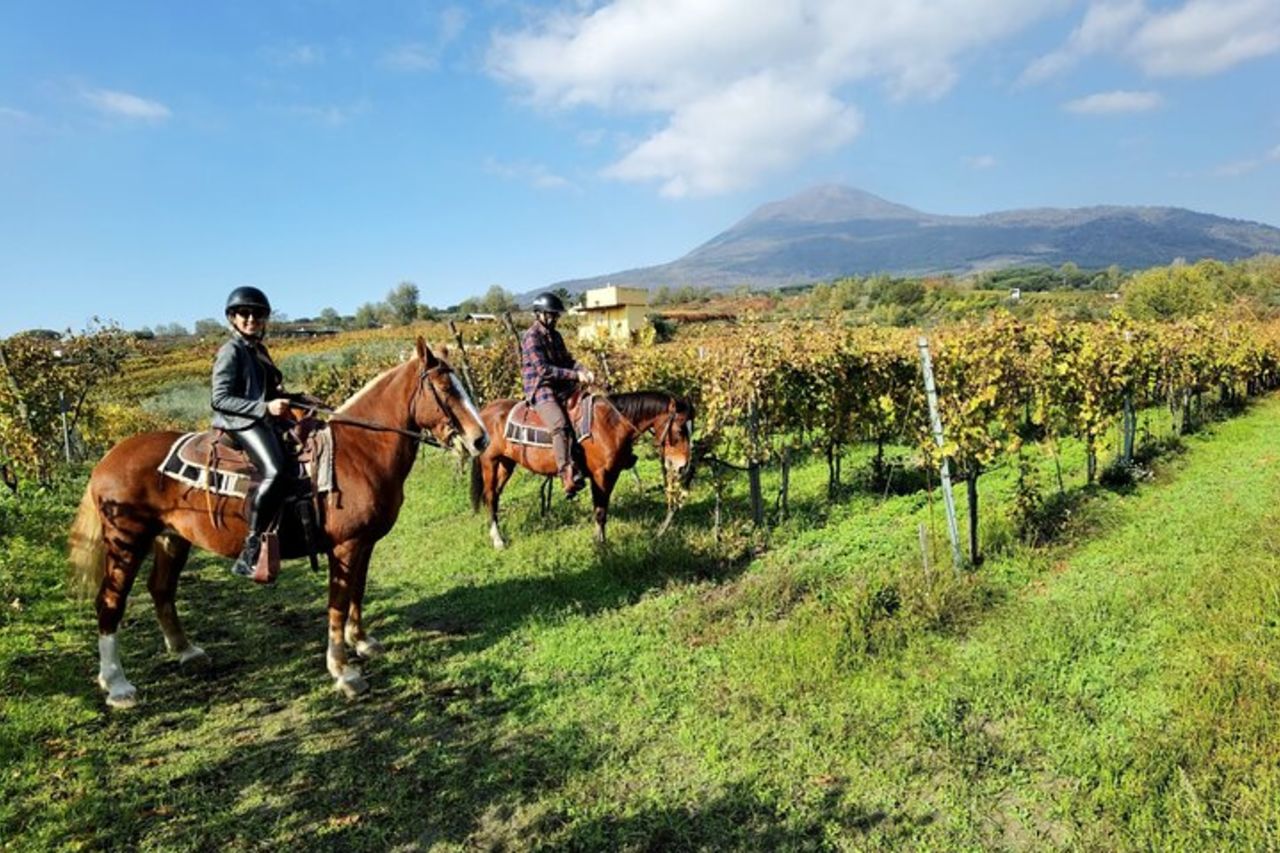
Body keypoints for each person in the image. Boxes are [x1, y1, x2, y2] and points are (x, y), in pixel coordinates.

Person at [211, 285, 296, 578]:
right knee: (276, 469)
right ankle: (252, 545)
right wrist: (265, 408)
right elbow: (219, 399)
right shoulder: (230, 351)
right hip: (239, 422)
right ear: (232, 318)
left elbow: (267, 389)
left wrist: (293, 398)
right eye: (244, 313)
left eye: (257, 314)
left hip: (260, 418)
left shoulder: (258, 350)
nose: (251, 319)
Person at [520, 292, 594, 498]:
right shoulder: (531, 337)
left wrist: (583, 369)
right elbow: (544, 370)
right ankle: (565, 473)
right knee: (559, 424)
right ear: (539, 315)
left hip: (560, 384)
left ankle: (583, 461)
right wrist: (576, 375)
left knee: (586, 408)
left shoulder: (556, 336)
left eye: (556, 315)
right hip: (540, 387)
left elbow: (567, 360)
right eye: (551, 315)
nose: (554, 319)